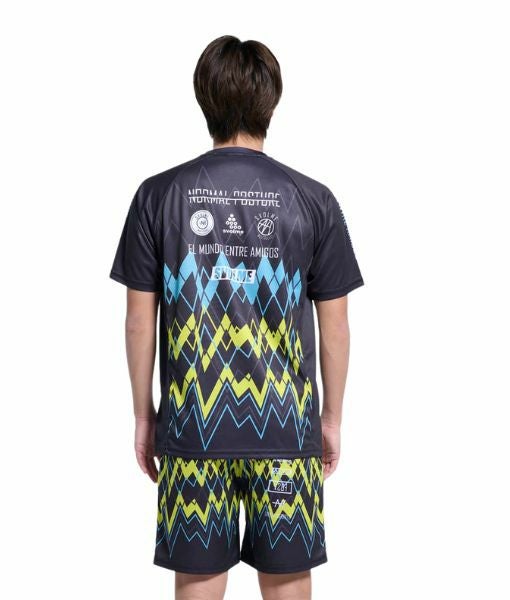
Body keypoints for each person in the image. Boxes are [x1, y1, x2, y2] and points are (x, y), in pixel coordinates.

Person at [109, 34, 364, 600]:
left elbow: (138, 322)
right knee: (288, 580)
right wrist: (329, 419)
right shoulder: (313, 199)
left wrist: (145, 416)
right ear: (272, 101)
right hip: (285, 427)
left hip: (192, 425)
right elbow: (336, 325)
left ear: (204, 98)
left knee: (199, 581)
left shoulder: (158, 195)